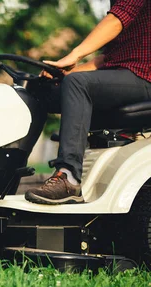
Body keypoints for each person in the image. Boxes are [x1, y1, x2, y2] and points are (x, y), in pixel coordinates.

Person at [25, 0, 151, 205]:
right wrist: (64, 73)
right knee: (41, 89)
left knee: (77, 84)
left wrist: (75, 54)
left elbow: (116, 21)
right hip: (122, 75)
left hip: (145, 77)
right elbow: (108, 59)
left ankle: (69, 177)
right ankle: (8, 174)